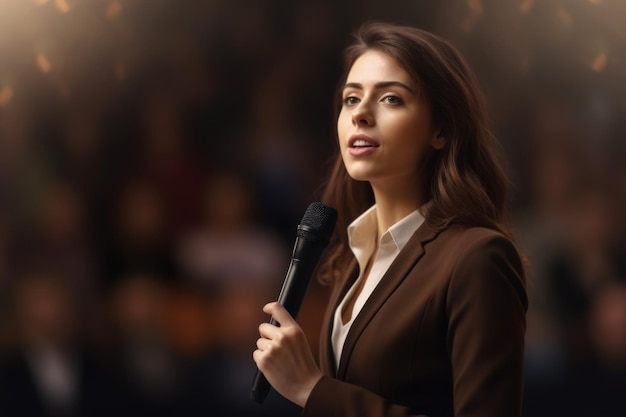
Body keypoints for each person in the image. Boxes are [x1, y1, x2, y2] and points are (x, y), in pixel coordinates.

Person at [253, 21, 528, 417]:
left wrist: (313, 389)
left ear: (441, 129)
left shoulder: (477, 256)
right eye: (350, 99)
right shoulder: (353, 257)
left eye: (391, 99)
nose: (361, 114)